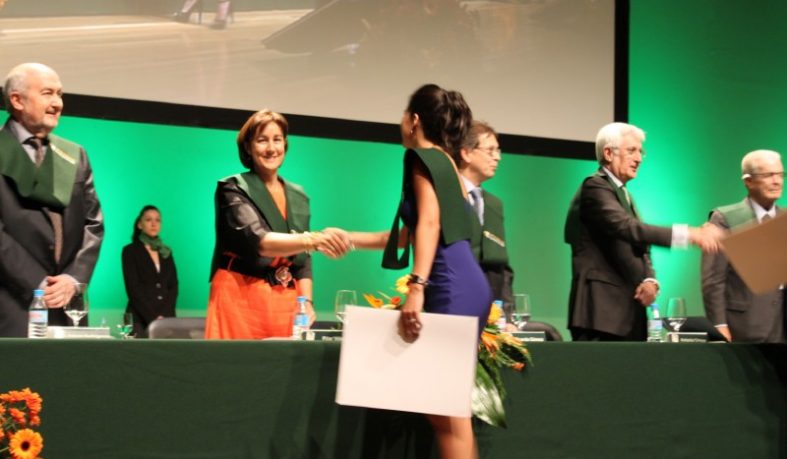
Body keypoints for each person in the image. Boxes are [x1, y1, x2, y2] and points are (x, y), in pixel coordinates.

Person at [355, 84, 490, 459]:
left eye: (403, 114)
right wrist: (346, 238)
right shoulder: (447, 164)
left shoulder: (421, 158)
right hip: (469, 285)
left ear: (413, 120)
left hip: (449, 287)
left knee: (446, 414)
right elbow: (408, 236)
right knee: (452, 414)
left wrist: (417, 286)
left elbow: (429, 223)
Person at [564, 122, 720, 341]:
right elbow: (627, 228)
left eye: (640, 152)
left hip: (628, 314)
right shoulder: (595, 187)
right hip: (600, 314)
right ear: (608, 153)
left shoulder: (624, 195)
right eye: (631, 150)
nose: (638, 158)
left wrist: (650, 280)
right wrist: (688, 234)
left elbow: (639, 244)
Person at [205, 109, 351, 339]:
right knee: (235, 361)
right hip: (238, 298)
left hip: (285, 303)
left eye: (277, 139)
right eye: (262, 140)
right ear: (248, 147)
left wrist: (307, 302)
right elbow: (260, 241)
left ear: (285, 144)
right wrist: (315, 239)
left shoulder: (298, 195)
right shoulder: (233, 189)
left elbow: (302, 259)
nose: (271, 148)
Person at [0, 62, 104, 337]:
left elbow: (93, 223)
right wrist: (38, 283)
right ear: (17, 100)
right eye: (47, 93)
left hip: (67, 304)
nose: (57, 103)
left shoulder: (75, 154)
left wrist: (73, 279)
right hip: (11, 303)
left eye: (60, 94)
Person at [701, 150, 785, 343]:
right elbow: (713, 280)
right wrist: (719, 325)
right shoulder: (726, 218)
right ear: (748, 181)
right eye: (768, 175)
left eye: (780, 175)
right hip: (743, 326)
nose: (776, 181)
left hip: (781, 326)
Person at [457, 121, 517, 331]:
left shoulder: (494, 204)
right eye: (490, 150)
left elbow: (502, 268)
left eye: (498, 151)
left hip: (491, 315)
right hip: (455, 307)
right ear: (466, 153)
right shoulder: (447, 197)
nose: (497, 157)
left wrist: (507, 317)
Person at [122, 205, 178, 338]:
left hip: (166, 318)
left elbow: (173, 286)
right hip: (139, 318)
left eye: (158, 220)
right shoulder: (130, 251)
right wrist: (154, 318)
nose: (154, 224)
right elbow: (133, 288)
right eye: (148, 220)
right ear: (139, 224)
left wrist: (163, 316)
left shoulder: (165, 251)